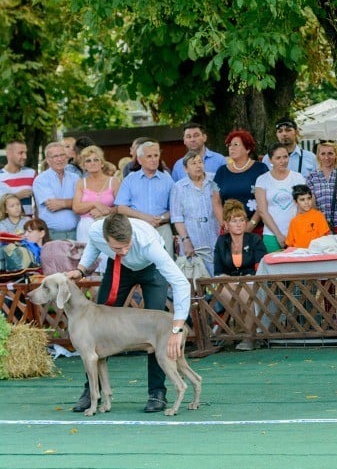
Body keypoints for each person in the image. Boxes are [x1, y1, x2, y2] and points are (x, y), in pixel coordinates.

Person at [65, 213, 192, 413]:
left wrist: (176, 329)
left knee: (156, 328)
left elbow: (181, 283)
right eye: (117, 247)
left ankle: (157, 392)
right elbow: (93, 245)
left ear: (132, 235)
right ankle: (91, 392)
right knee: (95, 326)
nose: (124, 250)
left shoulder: (149, 244)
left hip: (151, 269)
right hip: (119, 268)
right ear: (106, 238)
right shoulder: (96, 231)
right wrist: (81, 270)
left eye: (127, 245)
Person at [211, 200, 267, 352]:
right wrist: (231, 281)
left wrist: (242, 281)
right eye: (234, 221)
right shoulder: (222, 241)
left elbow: (259, 266)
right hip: (229, 281)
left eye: (242, 220)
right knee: (226, 291)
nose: (239, 224)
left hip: (251, 280)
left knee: (244, 292)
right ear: (226, 224)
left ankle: (247, 336)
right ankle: (248, 332)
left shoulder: (254, 239)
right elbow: (218, 270)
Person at [115, 141, 176, 255]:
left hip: (162, 229)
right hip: (137, 229)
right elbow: (121, 208)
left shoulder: (167, 179)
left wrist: (161, 218)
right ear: (139, 159)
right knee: (139, 266)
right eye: (149, 156)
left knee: (166, 267)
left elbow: (175, 208)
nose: (153, 159)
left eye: (156, 155)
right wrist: (145, 217)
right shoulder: (130, 179)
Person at [170, 150, 219, 275]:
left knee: (218, 273)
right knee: (196, 276)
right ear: (186, 169)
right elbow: (177, 218)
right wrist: (186, 241)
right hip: (192, 237)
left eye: (200, 162)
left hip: (215, 233)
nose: (198, 166)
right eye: (193, 163)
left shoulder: (214, 180)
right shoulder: (179, 187)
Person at [213, 129, 269, 231]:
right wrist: (224, 223)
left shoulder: (260, 169)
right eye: (229, 145)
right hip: (228, 230)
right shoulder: (222, 171)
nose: (231, 148)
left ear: (247, 149)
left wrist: (251, 224)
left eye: (236, 145)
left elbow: (265, 200)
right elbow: (216, 201)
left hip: (256, 229)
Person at [255, 142, 307, 252]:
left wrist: (293, 231)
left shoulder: (298, 177)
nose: (283, 161)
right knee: (275, 267)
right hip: (271, 234)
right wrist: (278, 234)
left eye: (285, 157)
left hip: (296, 232)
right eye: (278, 158)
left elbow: (302, 206)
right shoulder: (262, 180)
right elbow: (262, 211)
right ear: (270, 160)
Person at [72, 145, 120, 246]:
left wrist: (105, 212)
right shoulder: (81, 183)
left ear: (102, 163)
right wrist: (95, 204)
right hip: (85, 228)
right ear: (84, 165)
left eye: (96, 160)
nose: (92, 163)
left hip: (108, 226)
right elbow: (76, 208)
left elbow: (121, 207)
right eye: (88, 161)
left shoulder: (113, 181)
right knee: (86, 259)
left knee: (106, 259)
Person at [34, 142, 81, 240]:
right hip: (52, 234)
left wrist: (63, 203)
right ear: (48, 160)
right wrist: (73, 203)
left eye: (62, 155)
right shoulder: (41, 180)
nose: (60, 159)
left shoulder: (76, 178)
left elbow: (82, 202)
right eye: (55, 156)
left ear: (67, 157)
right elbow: (52, 205)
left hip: (76, 233)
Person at [304, 141, 337, 233]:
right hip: (322, 227)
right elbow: (312, 204)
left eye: (330, 153)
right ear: (318, 156)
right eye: (323, 154)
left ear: (336, 155)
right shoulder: (312, 177)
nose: (326, 157)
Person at [285, 184, 331, 249]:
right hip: (300, 256)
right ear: (296, 202)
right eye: (302, 199)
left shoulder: (318, 215)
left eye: (308, 198)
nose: (306, 202)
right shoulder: (294, 222)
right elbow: (290, 244)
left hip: (317, 253)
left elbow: (325, 238)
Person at [0, 139, 35, 217]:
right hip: (5, 226)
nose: (25, 157)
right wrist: (15, 196)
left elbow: (39, 202)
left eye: (25, 152)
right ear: (9, 154)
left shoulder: (32, 174)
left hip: (28, 226)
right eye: (20, 153)